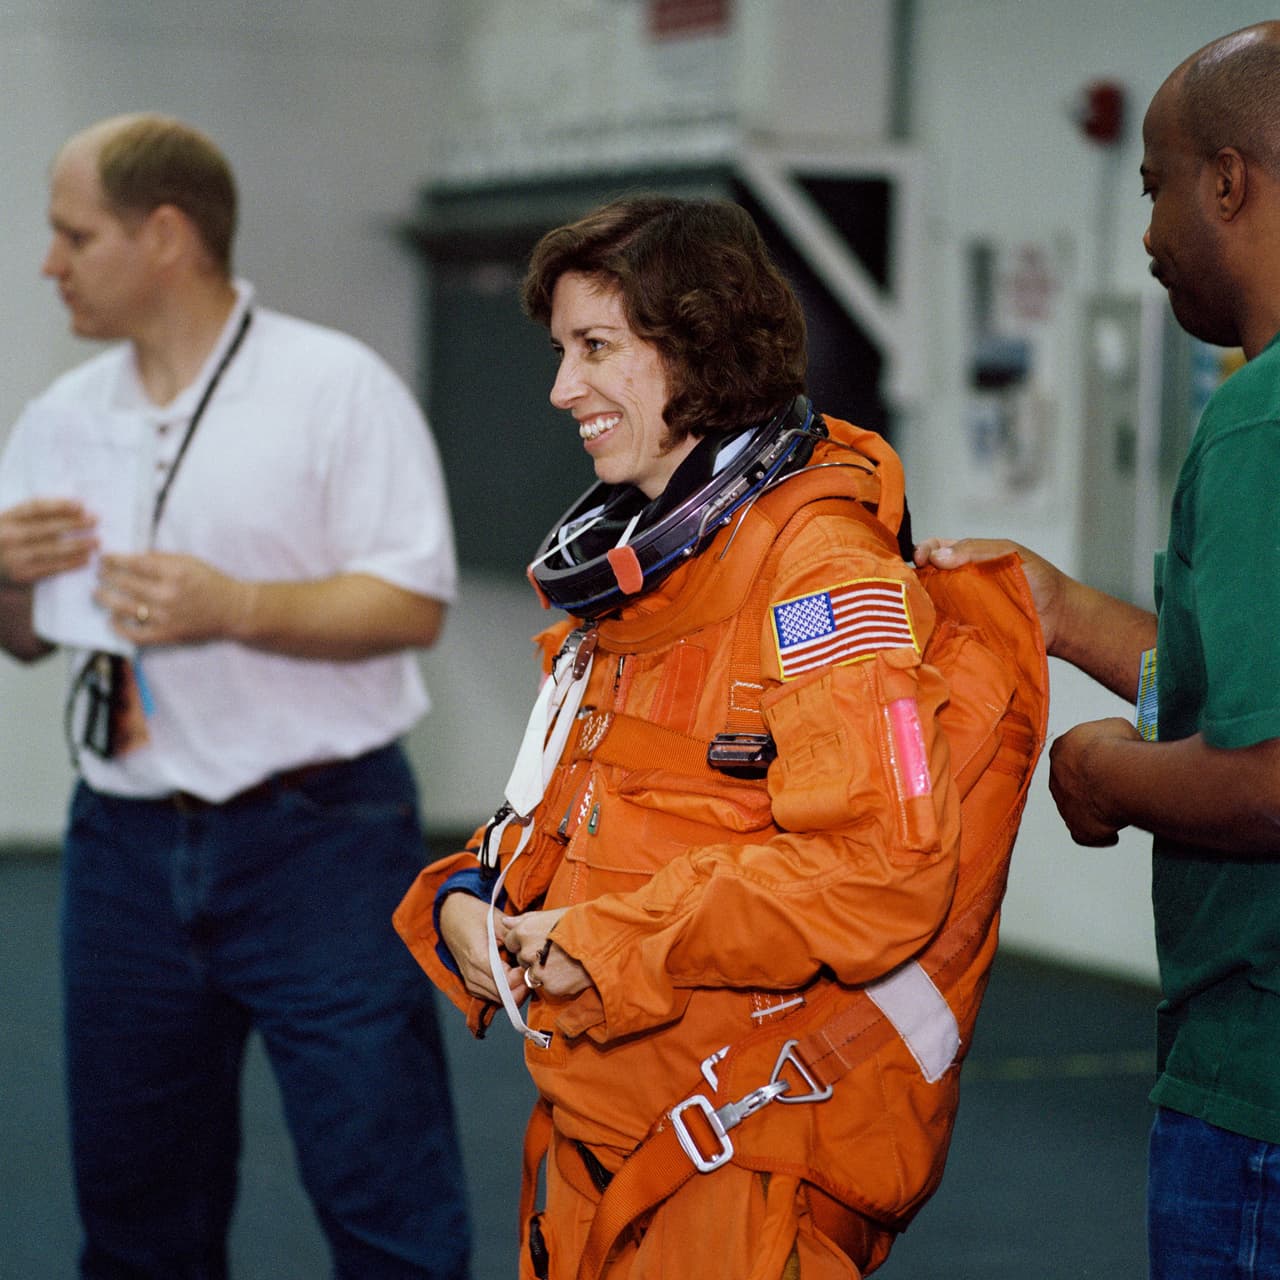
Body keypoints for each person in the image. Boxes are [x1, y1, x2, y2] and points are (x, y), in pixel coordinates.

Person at [394, 195, 1046, 1279]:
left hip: (729, 1168)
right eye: (561, 352)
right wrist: (473, 893)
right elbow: (579, 808)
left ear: (696, 341)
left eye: (596, 347)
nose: (561, 389)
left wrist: (608, 944)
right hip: (596, 1149)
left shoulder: (817, 572)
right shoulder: (645, 582)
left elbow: (879, 872)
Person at [0, 113, 469, 1279]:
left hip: (321, 840)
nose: (50, 263)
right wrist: (3, 579)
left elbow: (412, 602)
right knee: (135, 1220)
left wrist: (236, 605)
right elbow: (27, 642)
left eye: (74, 236)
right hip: (122, 848)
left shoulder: (332, 388)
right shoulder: (63, 416)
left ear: (166, 235)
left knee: (387, 1208)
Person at [916, 22, 1280, 1279]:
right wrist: (1063, 613)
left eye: (1151, 187)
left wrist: (1096, 771)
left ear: (1225, 181)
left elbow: (1265, 775)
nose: (1144, 235)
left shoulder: (1257, 420)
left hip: (1257, 1094)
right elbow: (1242, 686)